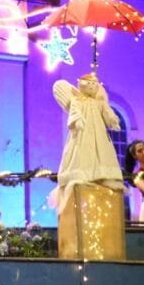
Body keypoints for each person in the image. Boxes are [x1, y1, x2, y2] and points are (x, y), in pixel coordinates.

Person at [51, 72, 125, 212]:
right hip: (84, 130)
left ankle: (101, 173)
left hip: (98, 131)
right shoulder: (77, 99)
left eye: (93, 84)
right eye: (88, 84)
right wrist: (77, 120)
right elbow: (74, 111)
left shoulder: (99, 102)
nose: (91, 86)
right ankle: (84, 173)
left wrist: (112, 120)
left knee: (101, 149)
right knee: (84, 149)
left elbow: (107, 112)